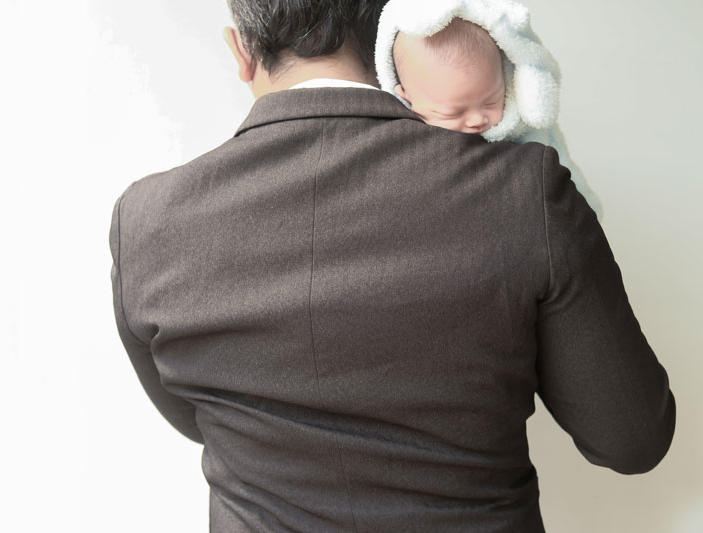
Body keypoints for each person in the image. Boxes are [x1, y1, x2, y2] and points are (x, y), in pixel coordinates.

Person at [108, 1, 676, 531]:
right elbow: (632, 440)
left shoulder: (145, 221)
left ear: (242, 52)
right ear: (386, 30)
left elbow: (195, 419)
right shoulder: (526, 192)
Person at [377, 0, 604, 219]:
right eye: (454, 113)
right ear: (405, 96)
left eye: (491, 102)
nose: (477, 119)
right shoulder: (403, 149)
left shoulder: (530, 137)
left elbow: (574, 193)